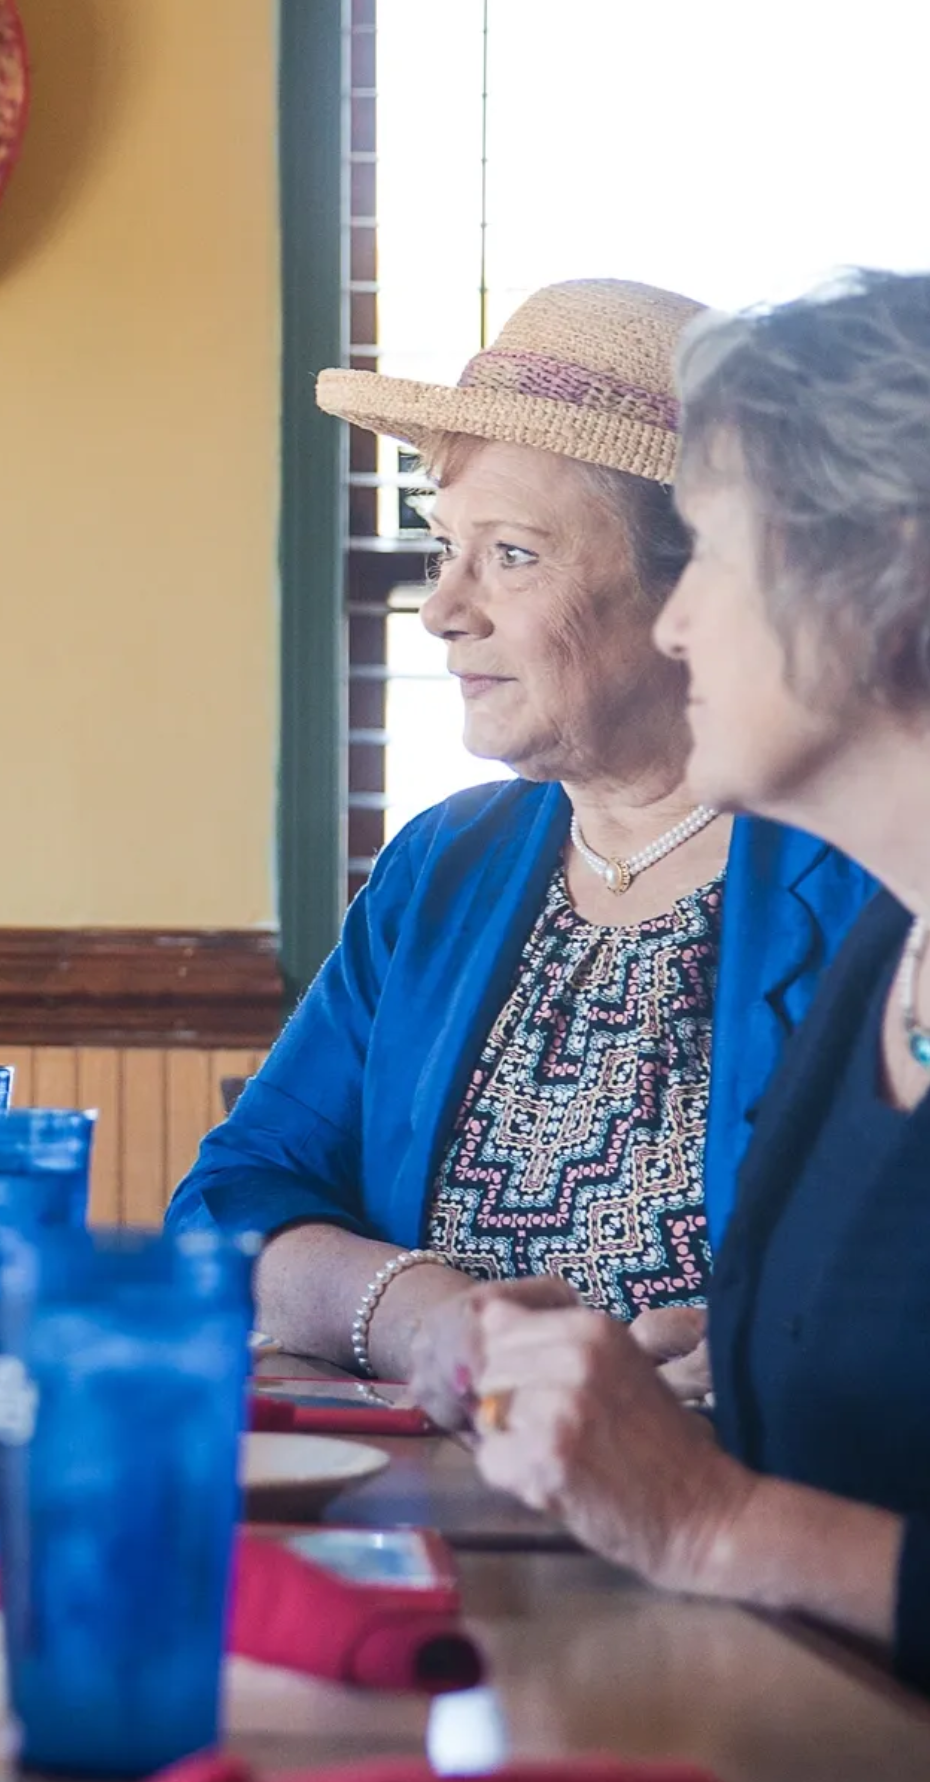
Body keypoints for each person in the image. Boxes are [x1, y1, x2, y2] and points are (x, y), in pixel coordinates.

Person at [167, 280, 875, 1427]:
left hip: (749, 1523)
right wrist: (423, 1316)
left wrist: (768, 1356)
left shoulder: (865, 876)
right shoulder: (442, 868)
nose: (441, 608)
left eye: (508, 555)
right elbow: (227, 1204)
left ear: (694, 586)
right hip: (441, 1507)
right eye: (443, 548)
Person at [471, 269, 930, 1690]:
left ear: (890, 575)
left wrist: (720, 1519)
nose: (673, 628)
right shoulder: (883, 952)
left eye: (712, 558)